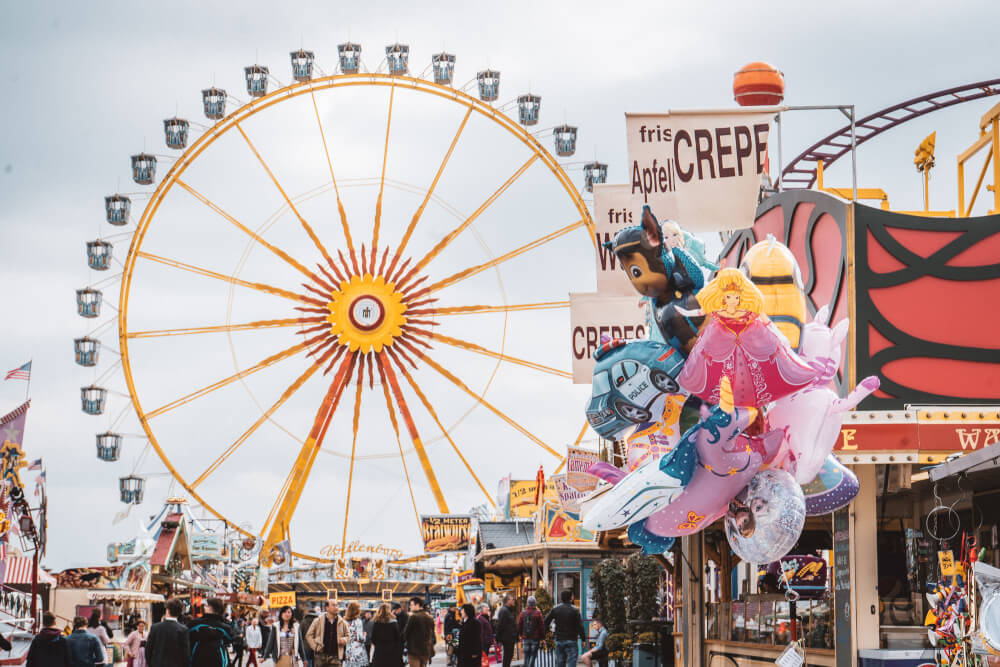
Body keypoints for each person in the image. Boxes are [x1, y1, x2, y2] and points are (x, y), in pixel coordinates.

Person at [676, 267, 817, 408]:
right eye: (729, 297)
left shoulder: (749, 311)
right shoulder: (719, 311)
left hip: (751, 339)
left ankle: (756, 397)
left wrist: (779, 335)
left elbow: (766, 321)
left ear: (742, 296)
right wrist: (684, 312)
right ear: (723, 297)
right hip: (723, 340)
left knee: (762, 368)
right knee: (720, 368)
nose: (733, 301)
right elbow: (700, 311)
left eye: (736, 297)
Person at [543, 590, 586, 667]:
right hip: (572, 639)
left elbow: (546, 621)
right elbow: (580, 625)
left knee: (560, 662)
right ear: (571, 598)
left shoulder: (555, 609)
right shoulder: (575, 610)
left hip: (559, 639)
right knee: (572, 662)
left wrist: (547, 632)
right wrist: (583, 639)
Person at [188, 597, 233, 667]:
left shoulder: (194, 624)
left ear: (211, 607)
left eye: (206, 605)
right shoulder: (226, 627)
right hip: (219, 660)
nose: (204, 607)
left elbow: (188, 638)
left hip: (198, 659)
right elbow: (229, 640)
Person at [145, 598, 189, 667]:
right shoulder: (183, 629)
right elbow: (185, 654)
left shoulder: (155, 627)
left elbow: (148, 650)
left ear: (167, 611)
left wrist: (151, 664)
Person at [306, 599, 349, 667]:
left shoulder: (342, 622)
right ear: (327, 608)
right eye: (333, 605)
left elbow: (348, 636)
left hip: (336, 657)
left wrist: (344, 640)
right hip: (320, 656)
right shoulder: (317, 621)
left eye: (337, 605)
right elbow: (309, 635)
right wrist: (315, 647)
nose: (336, 607)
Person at [401, 598, 435, 667]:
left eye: (411, 605)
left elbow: (406, 633)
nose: (410, 607)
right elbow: (432, 635)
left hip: (414, 650)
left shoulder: (413, 617)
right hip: (426, 650)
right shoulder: (429, 617)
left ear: (418, 605)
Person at [517, 596, 544, 667]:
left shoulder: (523, 613)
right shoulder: (538, 613)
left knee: (526, 655)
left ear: (527, 604)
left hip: (525, 637)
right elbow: (541, 626)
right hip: (535, 638)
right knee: (533, 655)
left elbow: (519, 625)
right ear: (535, 603)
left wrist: (520, 634)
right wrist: (542, 637)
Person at [342, 602, 369, 667]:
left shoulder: (344, 621)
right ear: (356, 610)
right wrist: (364, 635)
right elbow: (360, 638)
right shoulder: (358, 621)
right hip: (358, 651)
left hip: (348, 650)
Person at [494, 595, 517, 667]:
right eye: (512, 599)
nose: (513, 601)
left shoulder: (508, 610)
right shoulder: (504, 611)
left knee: (509, 656)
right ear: (508, 601)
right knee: (507, 657)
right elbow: (500, 625)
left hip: (510, 638)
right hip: (507, 638)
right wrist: (497, 638)